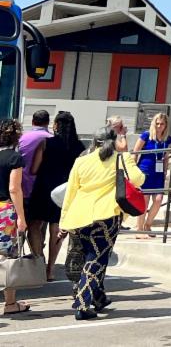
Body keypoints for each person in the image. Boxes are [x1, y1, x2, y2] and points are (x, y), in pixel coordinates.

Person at [61, 125, 145, 320]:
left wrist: (64, 221)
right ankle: (83, 304)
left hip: (80, 216)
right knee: (96, 259)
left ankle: (98, 298)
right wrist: (126, 154)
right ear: (115, 141)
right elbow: (139, 179)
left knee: (92, 256)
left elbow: (70, 192)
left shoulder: (81, 161)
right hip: (107, 216)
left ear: (94, 141)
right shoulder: (121, 158)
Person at [30, 111, 86, 280]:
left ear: (55, 125)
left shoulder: (46, 143)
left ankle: (39, 261)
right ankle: (51, 269)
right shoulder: (80, 147)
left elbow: (34, 169)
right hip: (65, 191)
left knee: (35, 225)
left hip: (44, 188)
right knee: (57, 229)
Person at [0, 119, 30, 315]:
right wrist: (21, 217)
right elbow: (14, 189)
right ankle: (10, 303)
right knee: (7, 257)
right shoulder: (14, 158)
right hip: (5, 211)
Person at [132, 113, 171, 237]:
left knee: (158, 199)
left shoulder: (168, 139)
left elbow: (166, 156)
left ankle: (148, 224)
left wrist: (165, 171)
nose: (159, 126)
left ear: (166, 125)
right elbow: (135, 152)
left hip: (158, 173)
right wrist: (133, 170)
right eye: (157, 123)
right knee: (144, 201)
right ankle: (139, 229)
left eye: (162, 124)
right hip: (145, 171)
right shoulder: (146, 135)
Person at [18, 109, 52, 259]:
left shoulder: (22, 138)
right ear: (48, 122)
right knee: (38, 228)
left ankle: (16, 258)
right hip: (43, 191)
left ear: (32, 121)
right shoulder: (52, 139)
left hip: (22, 188)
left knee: (19, 226)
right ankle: (38, 259)